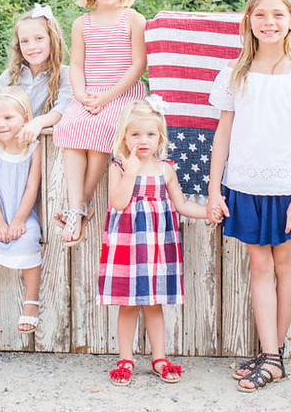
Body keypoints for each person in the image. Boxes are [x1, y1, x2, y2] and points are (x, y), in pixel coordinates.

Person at [207, 0, 291, 393]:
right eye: (260, 16)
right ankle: (269, 353)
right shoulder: (234, 72)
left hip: (285, 189)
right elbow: (222, 134)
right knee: (259, 268)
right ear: (248, 22)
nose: (269, 23)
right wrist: (213, 190)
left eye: (278, 15)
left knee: (285, 266)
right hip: (243, 184)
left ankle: (273, 357)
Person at [99, 97, 208, 386]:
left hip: (157, 248)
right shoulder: (119, 166)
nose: (142, 141)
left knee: (154, 304)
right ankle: (125, 357)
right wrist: (132, 170)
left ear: (160, 136)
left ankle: (159, 356)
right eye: (135, 134)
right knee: (128, 304)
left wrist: (208, 212)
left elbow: (182, 204)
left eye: (150, 134)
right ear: (124, 135)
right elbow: (118, 202)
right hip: (128, 247)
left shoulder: (166, 168)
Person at [53, 0, 147, 245]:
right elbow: (77, 65)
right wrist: (80, 94)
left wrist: (107, 97)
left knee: (102, 127)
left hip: (121, 93)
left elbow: (138, 65)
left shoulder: (133, 19)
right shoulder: (82, 24)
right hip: (89, 93)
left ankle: (81, 204)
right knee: (71, 127)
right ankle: (76, 205)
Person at [0, 86, 42, 335]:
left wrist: (19, 220)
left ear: (25, 120)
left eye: (8, 118)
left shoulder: (34, 149)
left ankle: (31, 302)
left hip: (21, 210)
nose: (1, 124)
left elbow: (32, 187)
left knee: (30, 238)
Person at [0, 4, 71, 168]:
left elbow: (62, 108)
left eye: (39, 39)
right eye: (24, 41)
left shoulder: (64, 75)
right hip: (10, 154)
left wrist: (37, 123)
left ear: (52, 39)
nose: (31, 47)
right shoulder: (10, 76)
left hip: (46, 157)